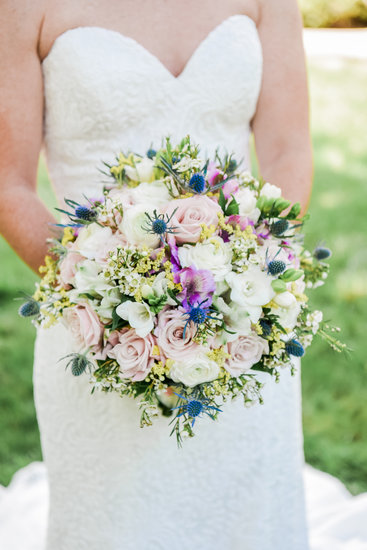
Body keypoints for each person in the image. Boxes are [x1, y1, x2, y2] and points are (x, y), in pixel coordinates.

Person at [0, 1, 312, 549]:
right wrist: (99, 293)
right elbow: (8, 183)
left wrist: (250, 283)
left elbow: (289, 152)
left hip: (242, 322)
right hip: (99, 334)